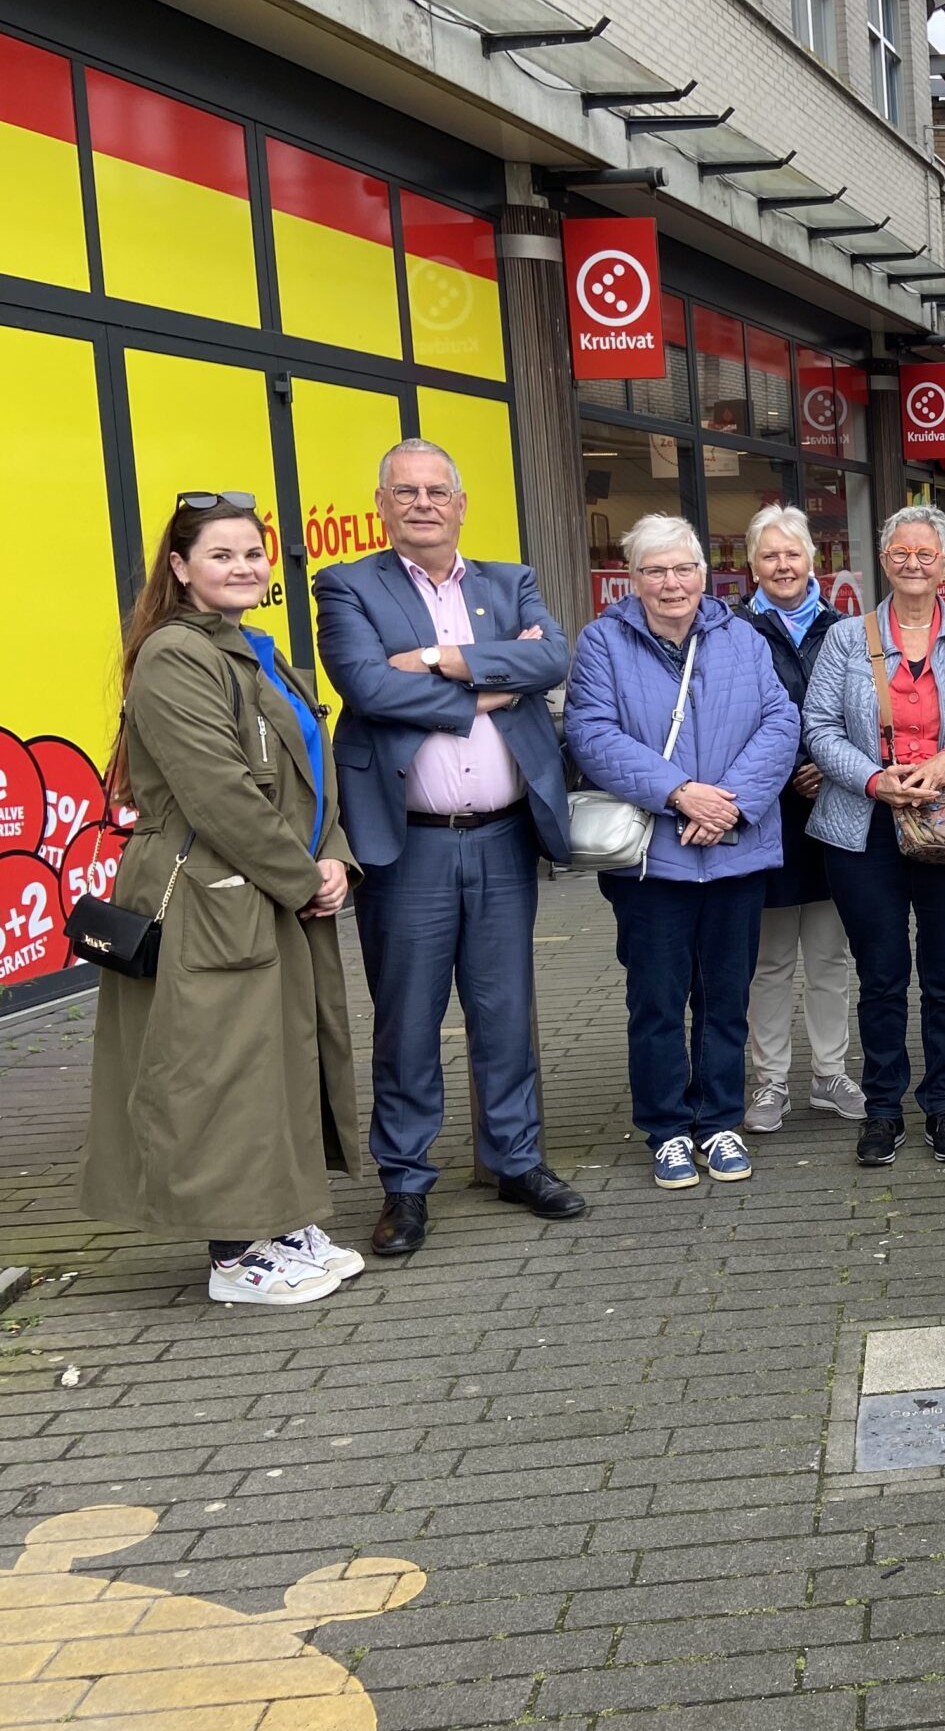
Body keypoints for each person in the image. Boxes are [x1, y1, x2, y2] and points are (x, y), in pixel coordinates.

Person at [79, 495, 364, 1306]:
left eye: (253, 554)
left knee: (283, 1058)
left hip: (269, 888)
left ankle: (282, 1221)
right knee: (221, 1069)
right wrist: (305, 876)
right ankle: (238, 1255)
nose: (243, 567)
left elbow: (313, 773)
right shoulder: (176, 656)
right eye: (222, 555)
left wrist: (334, 856)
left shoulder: (257, 649)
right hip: (212, 896)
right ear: (180, 568)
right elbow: (219, 793)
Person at [312, 439, 584, 1260]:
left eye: (438, 491)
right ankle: (405, 1185)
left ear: (462, 504)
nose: (423, 503)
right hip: (409, 847)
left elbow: (553, 657)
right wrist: (491, 691)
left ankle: (516, 1161)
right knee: (408, 1019)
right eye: (407, 491)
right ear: (382, 504)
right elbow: (367, 686)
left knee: (505, 1013)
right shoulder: (348, 584)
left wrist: (436, 660)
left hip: (502, 836)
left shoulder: (510, 582)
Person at [564, 515, 800, 1191]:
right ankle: (667, 1129)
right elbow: (591, 732)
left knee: (726, 996)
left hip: (735, 848)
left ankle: (720, 1120)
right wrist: (681, 794)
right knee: (658, 1000)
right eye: (654, 570)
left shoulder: (742, 636)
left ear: (705, 573)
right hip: (651, 859)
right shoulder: (604, 642)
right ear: (632, 578)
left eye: (683, 569)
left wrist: (729, 801)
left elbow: (780, 722)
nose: (671, 583)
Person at [803, 507, 945, 1166]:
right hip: (864, 829)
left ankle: (944, 1106)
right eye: (900, 553)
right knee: (882, 973)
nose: (913, 563)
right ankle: (882, 1109)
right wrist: (871, 779)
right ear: (884, 562)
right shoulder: (843, 640)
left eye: (927, 553)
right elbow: (819, 726)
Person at [735, 503, 863, 1131]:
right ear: (751, 564)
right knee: (770, 959)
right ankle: (769, 1082)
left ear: (814, 559)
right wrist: (786, 771)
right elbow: (728, 719)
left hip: (836, 811)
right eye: (769, 555)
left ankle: (830, 1072)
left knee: (831, 954)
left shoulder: (846, 630)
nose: (782, 565)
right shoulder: (731, 631)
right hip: (762, 816)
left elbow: (862, 713)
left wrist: (829, 767)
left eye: (793, 554)